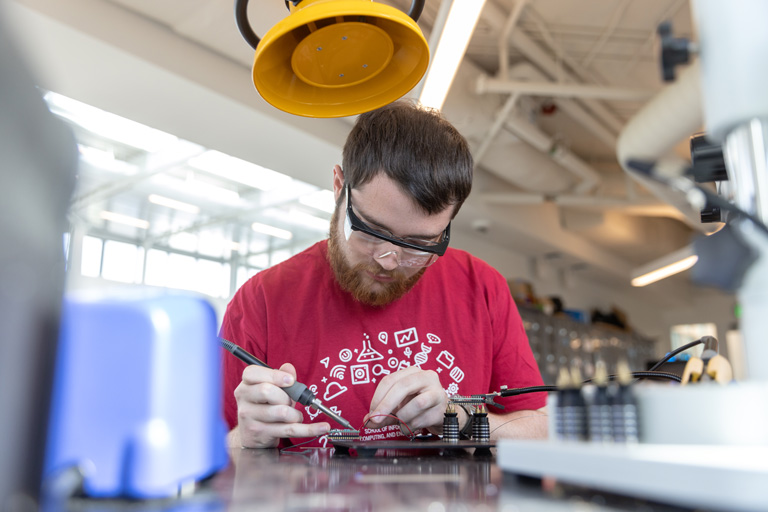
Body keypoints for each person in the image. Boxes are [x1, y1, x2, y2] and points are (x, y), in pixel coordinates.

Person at [220, 100, 547, 449]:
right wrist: (246, 438)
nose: (389, 261)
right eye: (372, 231)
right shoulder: (262, 301)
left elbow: (541, 431)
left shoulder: (482, 287)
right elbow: (207, 454)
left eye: (419, 244)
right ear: (338, 186)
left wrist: (459, 420)